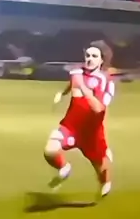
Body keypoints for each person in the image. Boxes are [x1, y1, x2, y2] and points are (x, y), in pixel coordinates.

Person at [44, 41, 115, 198]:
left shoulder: (105, 82)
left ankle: (105, 183)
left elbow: (99, 109)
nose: (90, 59)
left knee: (101, 170)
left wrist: (83, 88)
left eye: (94, 56)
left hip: (91, 133)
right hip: (71, 126)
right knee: (49, 151)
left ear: (101, 60)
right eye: (87, 55)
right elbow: (72, 84)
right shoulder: (77, 72)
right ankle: (64, 168)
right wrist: (62, 93)